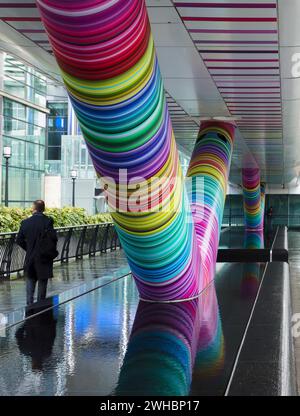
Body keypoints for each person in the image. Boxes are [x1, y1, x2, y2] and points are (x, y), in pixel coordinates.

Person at [16, 200, 57, 305]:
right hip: (44, 258)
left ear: (33, 208)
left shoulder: (25, 223)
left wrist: (29, 248)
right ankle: (40, 312)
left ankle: (29, 312)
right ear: (43, 209)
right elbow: (53, 239)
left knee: (30, 288)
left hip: (31, 259)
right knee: (42, 289)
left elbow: (19, 240)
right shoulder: (48, 221)